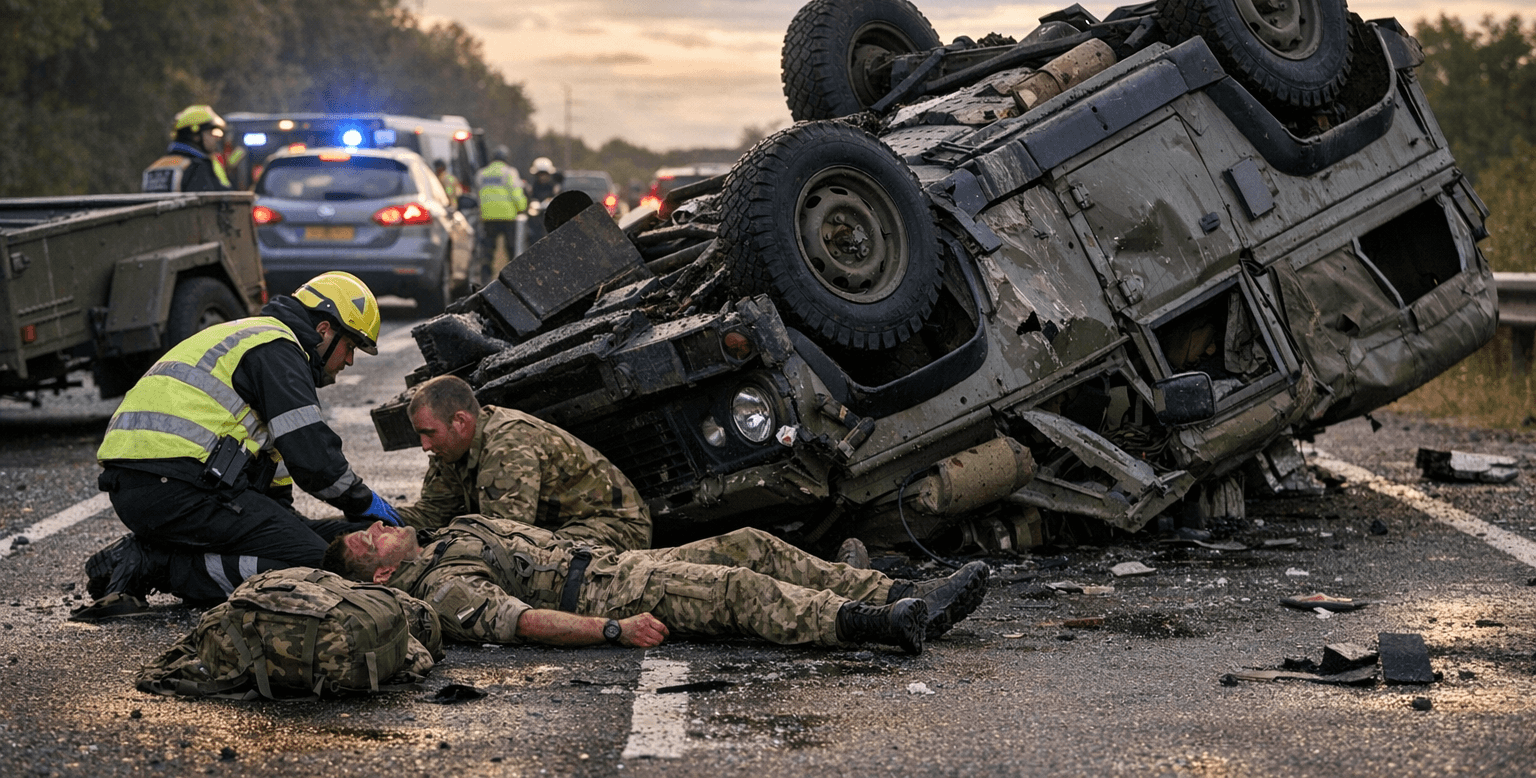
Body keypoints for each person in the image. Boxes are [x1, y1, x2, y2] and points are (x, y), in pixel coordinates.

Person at [77, 272, 403, 617]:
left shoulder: (255, 338)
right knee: (313, 566)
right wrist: (362, 502)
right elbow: (313, 459)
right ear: (324, 330)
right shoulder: (279, 350)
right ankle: (155, 563)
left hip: (160, 482)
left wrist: (295, 523)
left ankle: (155, 553)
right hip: (175, 485)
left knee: (310, 539)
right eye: (350, 347)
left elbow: (274, 470)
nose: (349, 361)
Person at [325, 516, 992, 655]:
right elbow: (519, 623)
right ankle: (877, 622)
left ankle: (893, 588)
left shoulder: (450, 531)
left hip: (615, 561)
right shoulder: (442, 585)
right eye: (368, 540)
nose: (379, 527)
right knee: (732, 589)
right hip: (603, 594)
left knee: (748, 542)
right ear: (382, 573)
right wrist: (614, 630)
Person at [392, 375, 650, 550]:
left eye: (429, 433)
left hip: (614, 527)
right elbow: (431, 514)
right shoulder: (450, 449)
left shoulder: (508, 443)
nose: (425, 445)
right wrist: (371, 513)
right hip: (557, 527)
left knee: (537, 564)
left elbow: (502, 537)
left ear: (460, 421)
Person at [142, 104, 233, 192]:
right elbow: (210, 205)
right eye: (213, 132)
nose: (217, 138)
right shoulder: (197, 167)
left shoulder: (152, 169)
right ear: (195, 135)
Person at [473, 146, 527, 283]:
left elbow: (478, 193)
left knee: (488, 250)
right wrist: (522, 207)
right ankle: (514, 279)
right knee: (511, 249)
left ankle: (485, 279)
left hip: (488, 217)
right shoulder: (509, 172)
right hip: (508, 216)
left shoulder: (482, 174)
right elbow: (516, 192)